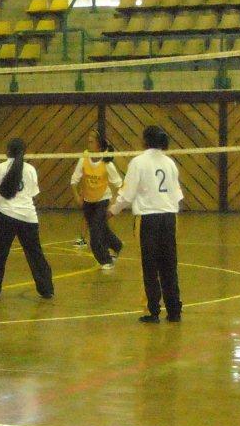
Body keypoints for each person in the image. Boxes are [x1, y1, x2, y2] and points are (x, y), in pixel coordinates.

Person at [110, 125, 183, 324]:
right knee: (169, 265)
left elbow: (127, 193)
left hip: (148, 219)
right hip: (169, 218)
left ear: (145, 140)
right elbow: (177, 196)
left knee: (149, 266)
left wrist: (113, 210)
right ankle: (174, 310)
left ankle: (152, 311)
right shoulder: (169, 163)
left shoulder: (138, 162)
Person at [0, 138, 54, 299]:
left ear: (7, 151)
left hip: (6, 217)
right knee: (35, 254)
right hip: (28, 218)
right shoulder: (30, 170)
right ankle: (47, 289)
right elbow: (33, 195)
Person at [71, 130, 124, 269]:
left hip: (102, 200)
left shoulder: (107, 164)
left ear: (99, 145)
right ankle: (117, 245)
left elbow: (119, 185)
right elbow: (74, 180)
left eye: (91, 141)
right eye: (88, 140)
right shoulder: (84, 159)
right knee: (102, 228)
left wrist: (114, 204)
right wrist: (77, 196)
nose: (88, 143)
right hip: (88, 201)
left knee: (95, 234)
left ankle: (105, 260)